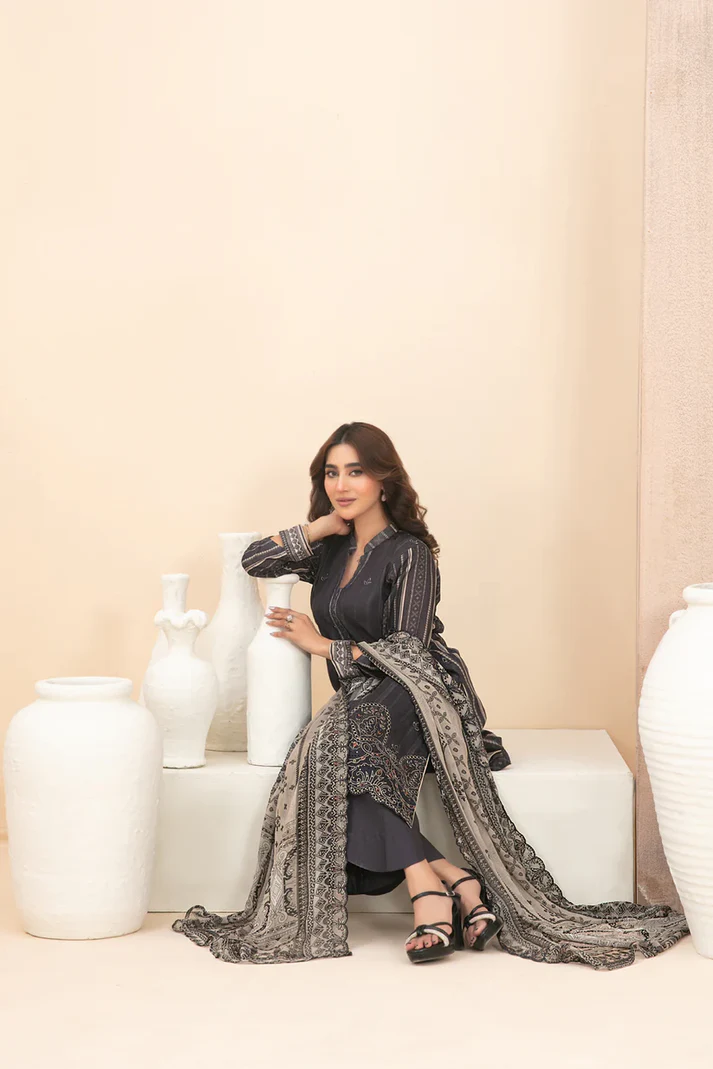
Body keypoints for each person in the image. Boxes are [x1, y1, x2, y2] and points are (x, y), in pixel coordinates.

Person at [172, 422, 689, 968]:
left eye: (356, 472)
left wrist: (322, 645)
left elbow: (410, 649)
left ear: (384, 480)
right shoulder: (329, 552)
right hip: (360, 693)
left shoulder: (409, 552)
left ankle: (432, 895)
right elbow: (255, 560)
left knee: (345, 753)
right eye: (331, 473)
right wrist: (321, 525)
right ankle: (450, 880)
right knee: (330, 762)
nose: (342, 485)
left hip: (420, 690)